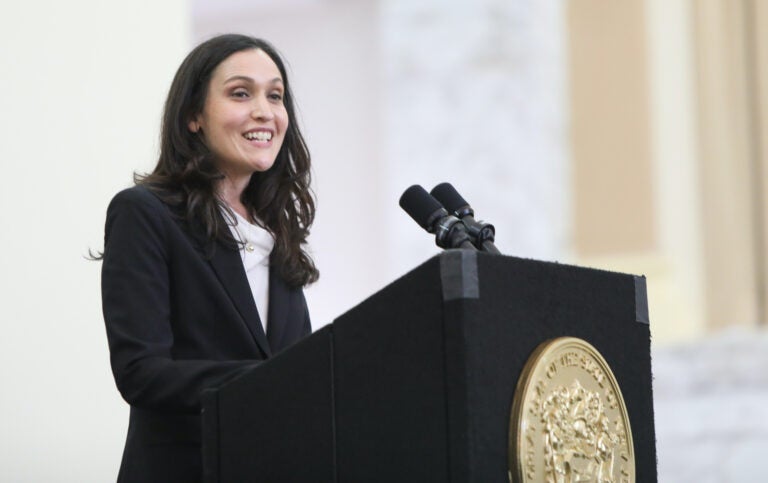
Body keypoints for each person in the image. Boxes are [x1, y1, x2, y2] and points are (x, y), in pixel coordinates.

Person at [100, 34, 318, 482]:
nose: (264, 111)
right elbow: (142, 374)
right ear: (194, 116)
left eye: (275, 96)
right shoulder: (146, 213)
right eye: (241, 93)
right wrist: (277, 382)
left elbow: (296, 374)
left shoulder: (276, 232)